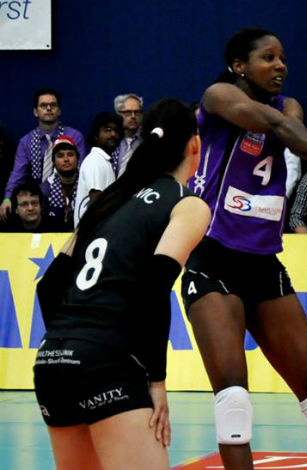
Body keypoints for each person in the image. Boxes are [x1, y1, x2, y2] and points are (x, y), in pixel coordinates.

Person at [182, 28, 307, 470]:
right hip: (213, 259)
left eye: (283, 59)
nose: (281, 66)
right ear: (239, 65)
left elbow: (287, 120)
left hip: (263, 265)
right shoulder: (218, 96)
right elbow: (276, 125)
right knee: (234, 402)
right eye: (268, 58)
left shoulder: (289, 107)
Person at [32, 98, 210, 470]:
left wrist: (72, 345)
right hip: (106, 360)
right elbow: (155, 287)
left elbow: (47, 288)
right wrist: (156, 382)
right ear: (195, 145)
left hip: (52, 361)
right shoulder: (187, 204)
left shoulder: (108, 202)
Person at [1, 88, 86, 222]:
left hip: (70, 197)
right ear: (35, 111)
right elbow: (18, 174)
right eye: (43, 105)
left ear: (59, 110)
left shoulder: (74, 136)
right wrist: (7, 198)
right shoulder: (26, 142)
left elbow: (82, 171)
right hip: (36, 203)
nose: (48, 108)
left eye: (53, 105)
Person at [74, 112, 123, 226]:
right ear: (96, 135)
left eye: (116, 130)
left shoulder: (103, 160)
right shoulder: (95, 161)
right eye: (107, 130)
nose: (113, 134)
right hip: (92, 232)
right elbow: (96, 201)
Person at [40, 136, 80, 231]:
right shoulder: (44, 190)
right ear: (53, 161)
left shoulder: (87, 183)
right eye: (60, 156)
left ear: (77, 159)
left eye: (70, 154)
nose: (66, 159)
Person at [0, 182, 64, 232]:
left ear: (40, 206)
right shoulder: (7, 230)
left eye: (34, 203)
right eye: (24, 204)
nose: (30, 208)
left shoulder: (57, 228)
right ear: (16, 209)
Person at [112, 93, 144, 176]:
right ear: (118, 114)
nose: (133, 116)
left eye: (137, 112)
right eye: (128, 113)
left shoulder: (147, 138)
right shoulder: (112, 139)